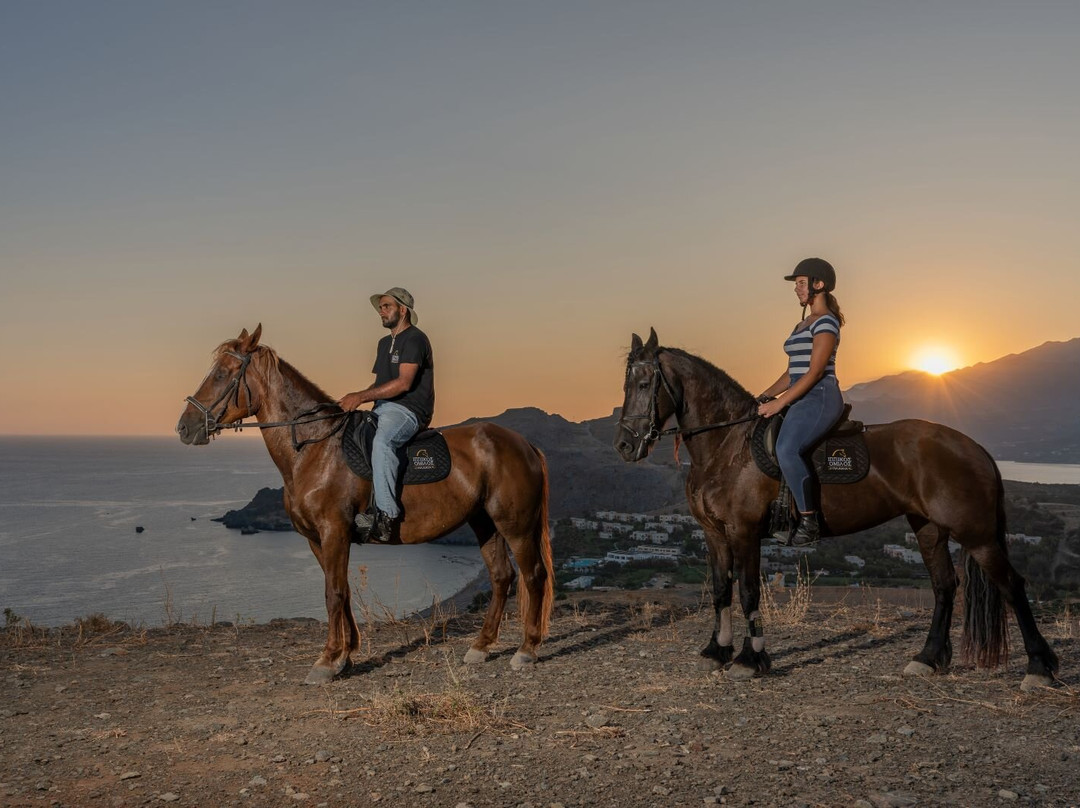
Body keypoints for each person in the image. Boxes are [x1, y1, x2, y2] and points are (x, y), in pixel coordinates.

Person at [755, 258, 846, 545]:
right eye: (796, 284)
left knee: (786, 448)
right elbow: (791, 371)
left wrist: (780, 404)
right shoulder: (801, 324)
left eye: (801, 283)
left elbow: (815, 371)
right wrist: (765, 396)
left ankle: (809, 522)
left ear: (819, 285)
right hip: (800, 392)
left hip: (819, 395)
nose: (796, 289)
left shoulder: (826, 322)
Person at [338, 287, 434, 542]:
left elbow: (403, 383)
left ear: (403, 310)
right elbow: (380, 384)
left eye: (386, 306)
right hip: (381, 407)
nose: (381, 311)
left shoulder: (415, 339)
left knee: (382, 443)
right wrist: (354, 398)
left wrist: (359, 397)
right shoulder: (384, 343)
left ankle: (387, 516)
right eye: (380, 307)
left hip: (408, 410)